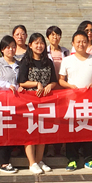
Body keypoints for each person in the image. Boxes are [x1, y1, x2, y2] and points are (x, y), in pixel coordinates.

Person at [58, 30, 92, 171]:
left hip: (89, 102)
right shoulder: (67, 60)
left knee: (89, 129)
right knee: (71, 130)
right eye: (78, 41)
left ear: (88, 43)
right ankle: (72, 159)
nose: (81, 44)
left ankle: (89, 159)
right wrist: (70, 86)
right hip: (72, 101)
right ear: (73, 43)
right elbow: (61, 80)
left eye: (84, 41)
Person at [18, 33, 58, 174]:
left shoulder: (48, 62)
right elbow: (21, 82)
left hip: (45, 102)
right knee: (30, 132)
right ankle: (32, 162)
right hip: (29, 102)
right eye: (36, 43)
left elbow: (54, 80)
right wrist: (36, 84)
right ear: (30, 45)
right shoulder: (26, 61)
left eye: (41, 43)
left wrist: (50, 86)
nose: (39, 46)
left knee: (42, 132)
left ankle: (40, 160)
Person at [0, 36, 22, 173]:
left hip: (17, 102)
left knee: (13, 131)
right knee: (3, 131)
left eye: (13, 47)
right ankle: (3, 162)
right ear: (2, 49)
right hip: (2, 103)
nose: (11, 50)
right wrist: (7, 85)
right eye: (7, 47)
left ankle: (12, 155)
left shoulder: (19, 64)